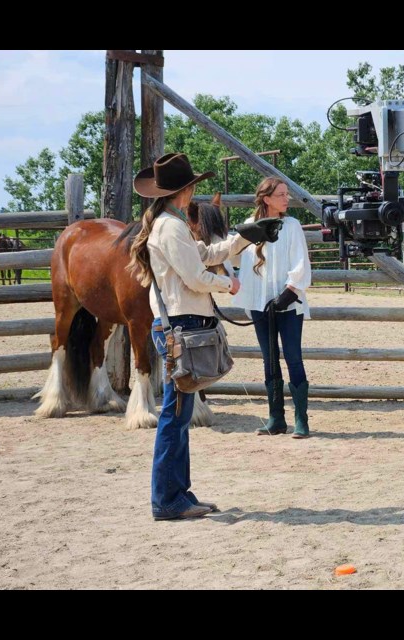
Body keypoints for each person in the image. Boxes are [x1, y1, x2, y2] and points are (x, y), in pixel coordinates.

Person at [129, 153, 281, 520]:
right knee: (174, 416)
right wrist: (227, 283)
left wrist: (245, 237)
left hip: (182, 325)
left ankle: (177, 494)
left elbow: (207, 252)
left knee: (178, 417)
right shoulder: (170, 228)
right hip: (181, 327)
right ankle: (167, 500)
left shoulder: (172, 225)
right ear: (186, 190)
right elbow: (195, 276)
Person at [232, 177, 313, 438]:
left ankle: (302, 419)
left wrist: (288, 294)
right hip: (260, 304)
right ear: (266, 198)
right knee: (269, 359)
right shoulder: (249, 227)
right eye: (281, 194)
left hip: (287, 303)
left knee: (293, 357)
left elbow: (301, 264)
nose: (286, 198)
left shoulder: (292, 226)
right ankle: (276, 418)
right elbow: (234, 258)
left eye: (286, 194)